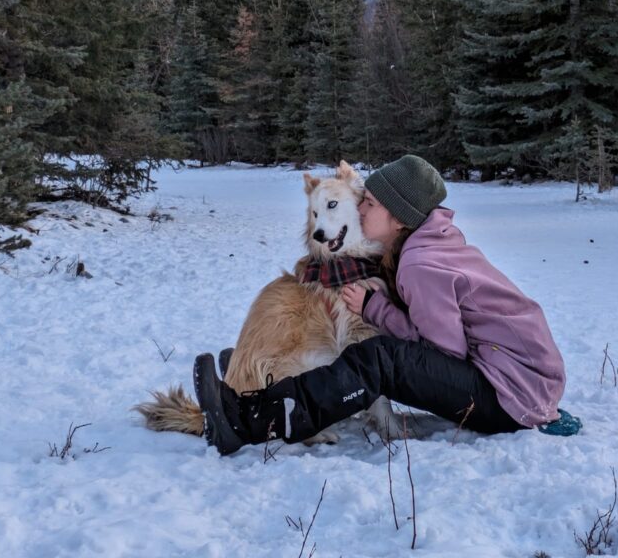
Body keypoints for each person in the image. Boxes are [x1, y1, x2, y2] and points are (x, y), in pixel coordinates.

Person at [193, 155, 567, 456]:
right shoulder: (432, 241)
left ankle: (251, 420)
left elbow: (444, 351)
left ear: (398, 217)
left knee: (377, 358)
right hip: (523, 385)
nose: (359, 211)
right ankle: (269, 389)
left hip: (509, 398)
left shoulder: (421, 265)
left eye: (369, 204)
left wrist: (376, 309)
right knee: (379, 354)